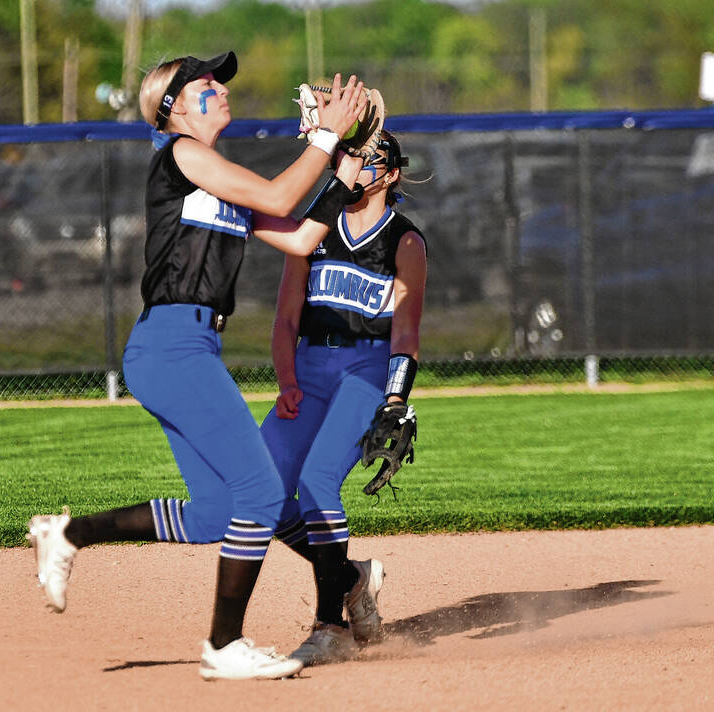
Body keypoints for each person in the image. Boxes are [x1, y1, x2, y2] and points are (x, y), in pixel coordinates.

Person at [26, 51, 371, 681]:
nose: (220, 88)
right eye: (206, 83)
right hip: (171, 346)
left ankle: (68, 534)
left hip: (188, 348)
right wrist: (324, 137)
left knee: (215, 513)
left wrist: (344, 172)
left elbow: (299, 236)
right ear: (174, 107)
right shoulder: (182, 154)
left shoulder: (217, 177)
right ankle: (224, 645)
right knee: (263, 493)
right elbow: (277, 192)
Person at [259, 130, 427, 666]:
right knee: (261, 490)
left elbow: (405, 332)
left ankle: (330, 626)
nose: (356, 168)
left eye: (369, 160)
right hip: (310, 366)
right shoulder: (316, 228)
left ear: (391, 174)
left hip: (366, 368)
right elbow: (286, 319)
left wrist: (395, 399)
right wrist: (287, 379)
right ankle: (353, 578)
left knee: (317, 481)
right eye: (350, 158)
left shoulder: (404, 241)